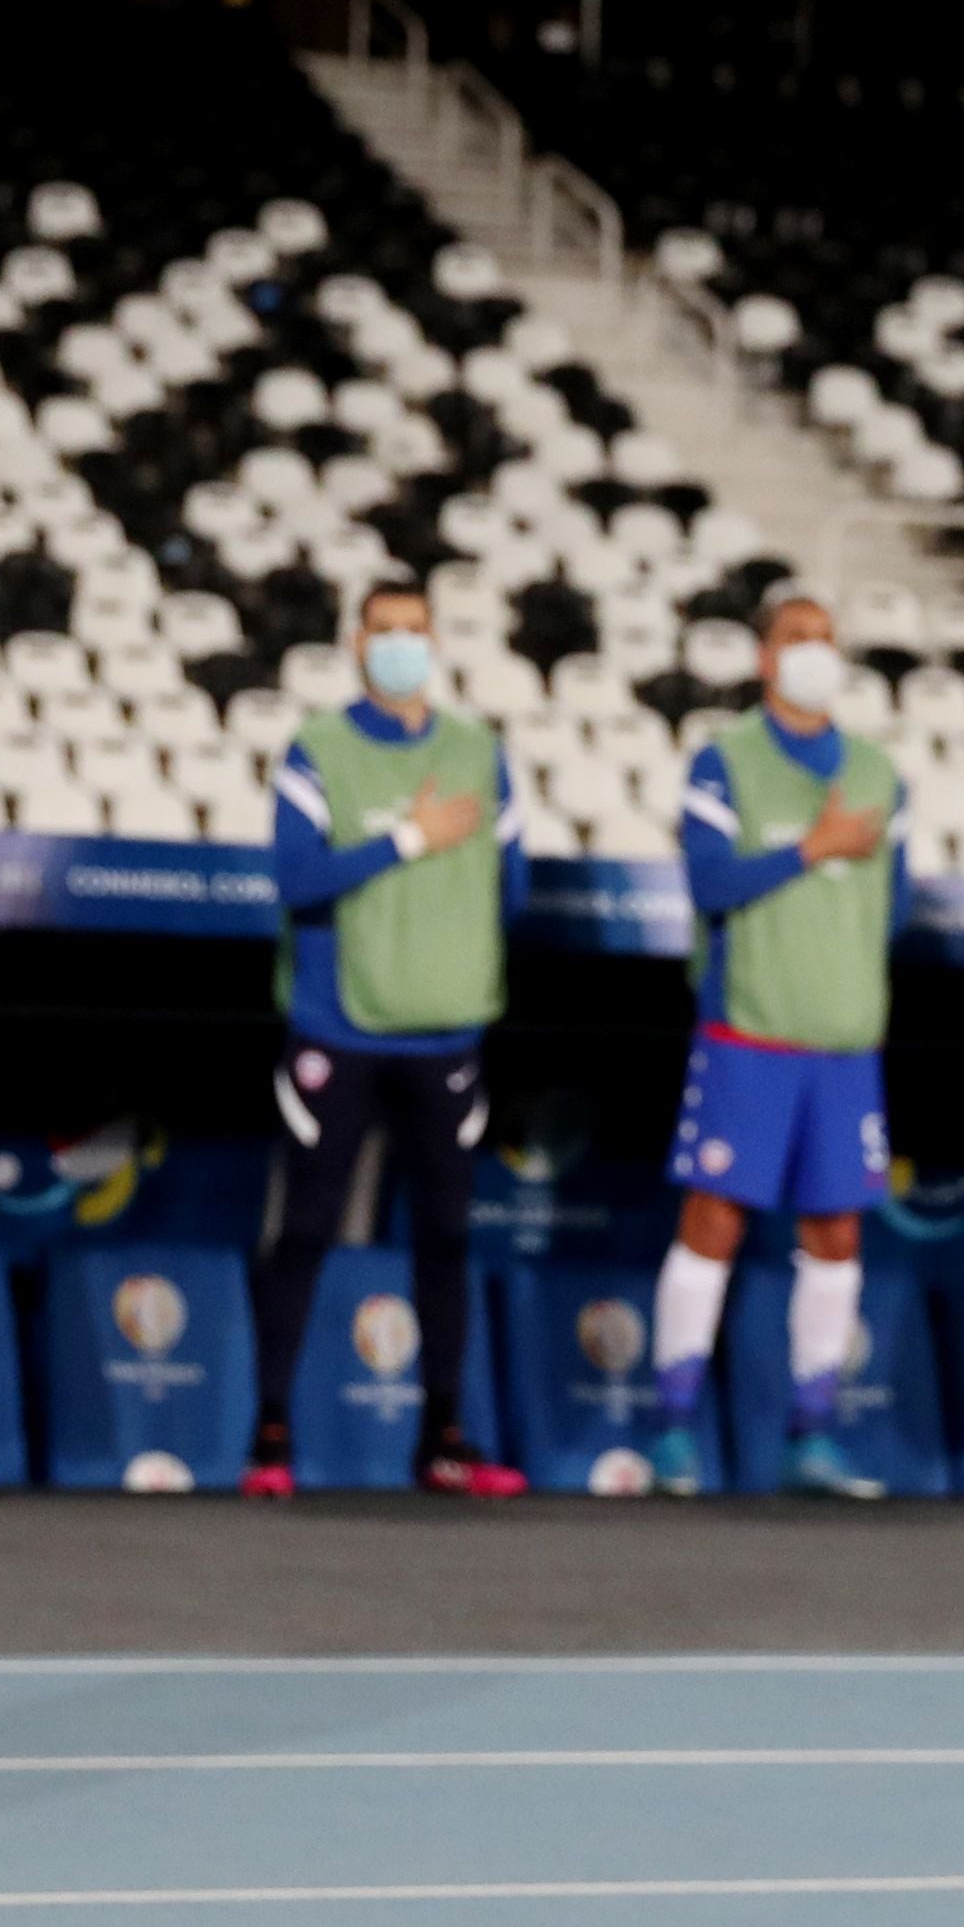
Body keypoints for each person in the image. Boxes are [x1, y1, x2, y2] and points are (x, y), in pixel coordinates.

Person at [248, 577, 529, 1499]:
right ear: (357, 641)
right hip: (339, 1026)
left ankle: (441, 1437)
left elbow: (510, 887)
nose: (402, 644)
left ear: (435, 639)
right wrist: (405, 841)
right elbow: (294, 878)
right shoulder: (318, 750)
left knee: (447, 1231)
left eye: (416, 630)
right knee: (308, 1225)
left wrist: (445, 957)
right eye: (385, 631)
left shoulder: (479, 753)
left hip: (445, 1034)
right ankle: (271, 1437)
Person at [647, 594, 904, 1499]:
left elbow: (891, 905)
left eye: (826, 639)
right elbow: (711, 883)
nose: (813, 653)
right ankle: (672, 1429)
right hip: (747, 1030)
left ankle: (812, 1433)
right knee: (713, 1216)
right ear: (764, 660)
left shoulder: (878, 772)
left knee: (835, 1230)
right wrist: (812, 847)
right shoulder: (725, 763)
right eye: (796, 638)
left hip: (843, 1042)